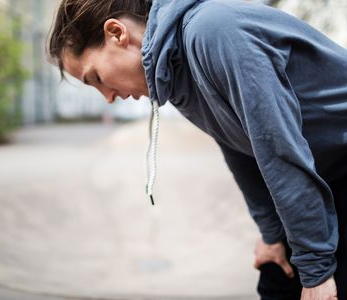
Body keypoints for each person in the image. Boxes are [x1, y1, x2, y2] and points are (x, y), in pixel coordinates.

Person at [48, 0, 347, 299]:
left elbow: (278, 149)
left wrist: (316, 272)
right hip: (318, 170)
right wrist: (272, 235)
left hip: (336, 161)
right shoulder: (172, 71)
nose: (108, 98)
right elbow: (240, 147)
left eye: (96, 78)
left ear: (116, 33)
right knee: (275, 279)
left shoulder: (213, 31)